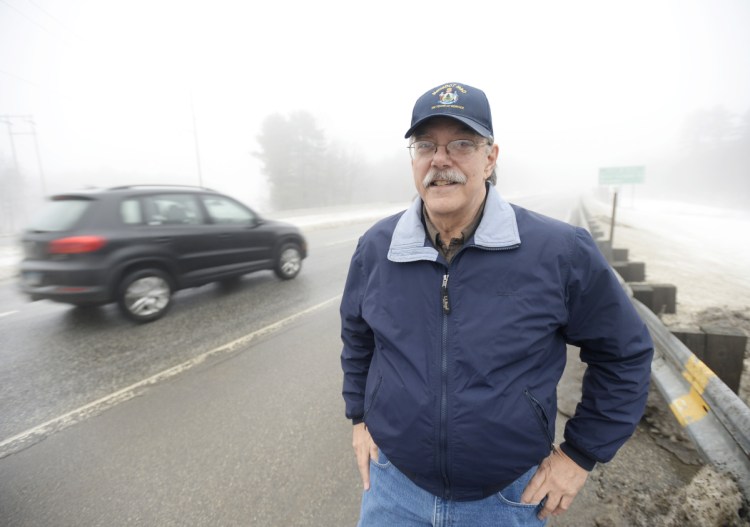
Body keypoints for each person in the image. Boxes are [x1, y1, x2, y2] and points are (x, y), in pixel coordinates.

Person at [340, 81, 654, 526]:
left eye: (461, 143)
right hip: (393, 491)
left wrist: (580, 455)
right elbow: (358, 337)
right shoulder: (377, 247)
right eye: (426, 144)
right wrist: (358, 418)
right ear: (413, 159)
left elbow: (624, 353)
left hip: (506, 499)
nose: (440, 159)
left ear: (490, 158)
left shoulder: (558, 251)